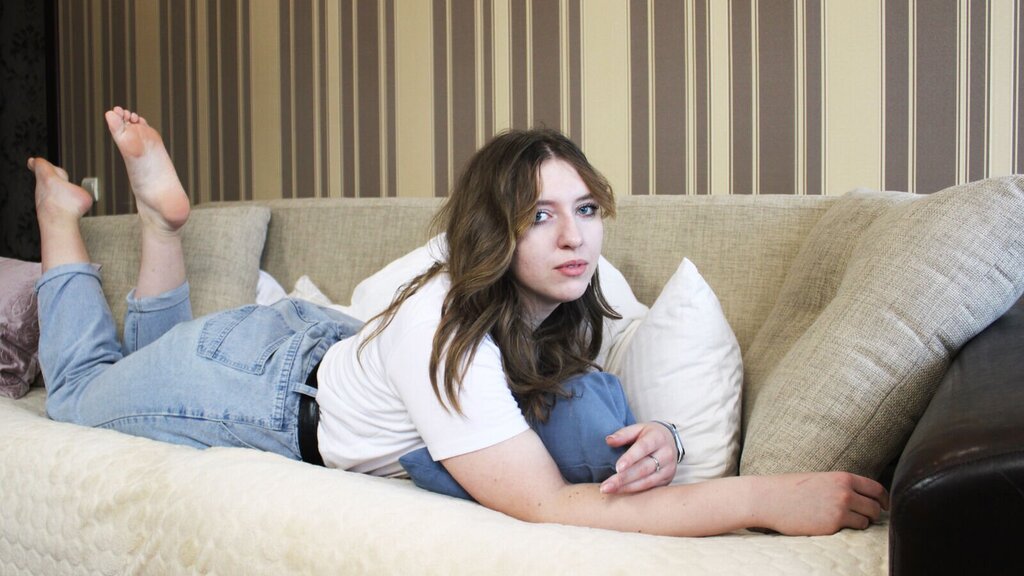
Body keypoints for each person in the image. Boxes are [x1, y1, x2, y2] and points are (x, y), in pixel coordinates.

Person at [29, 106, 888, 537]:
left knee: (135, 374)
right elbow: (548, 504)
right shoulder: (452, 328)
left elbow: (597, 395)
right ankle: (59, 215)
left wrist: (662, 434)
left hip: (298, 348)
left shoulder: (576, 288)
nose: (574, 236)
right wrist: (763, 499)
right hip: (249, 391)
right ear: (494, 229)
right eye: (540, 215)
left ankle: (161, 223)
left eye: (585, 208)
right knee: (76, 397)